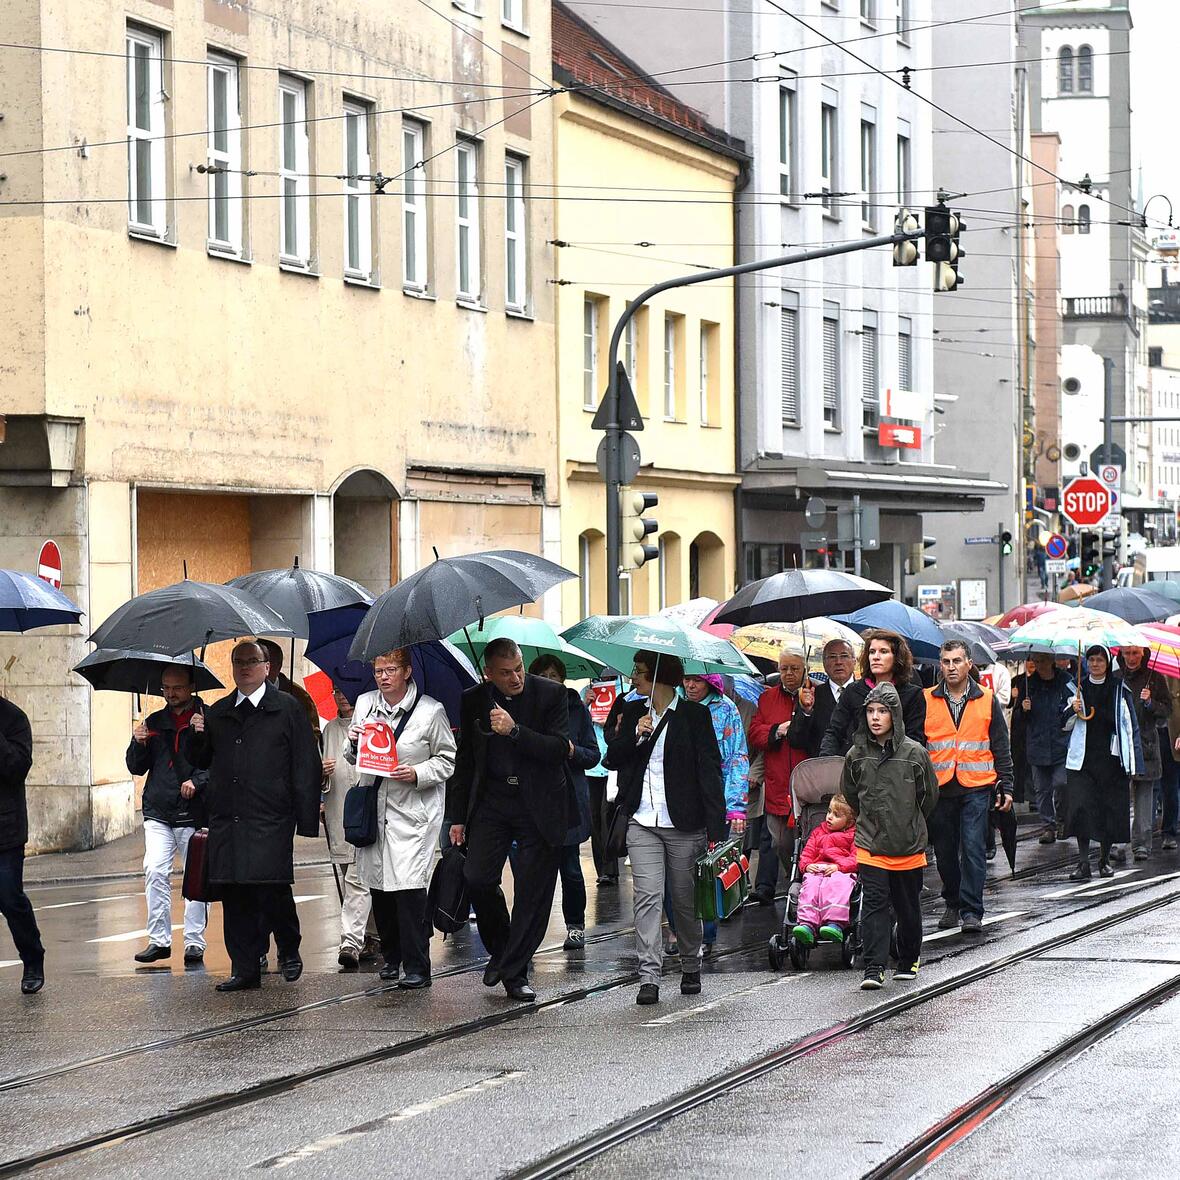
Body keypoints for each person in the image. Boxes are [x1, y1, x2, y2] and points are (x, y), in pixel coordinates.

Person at [186, 640, 321, 991]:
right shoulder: (218, 711)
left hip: (271, 816)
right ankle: (244, 968)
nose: (245, 667)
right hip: (229, 817)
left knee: (271, 888)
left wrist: (306, 818)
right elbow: (201, 760)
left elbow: (306, 763)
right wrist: (196, 733)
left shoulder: (287, 708)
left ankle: (289, 947)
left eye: (252, 661)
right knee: (235, 894)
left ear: (267, 668)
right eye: (238, 662)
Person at [446, 638, 573, 1003]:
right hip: (493, 801)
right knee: (477, 877)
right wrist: (457, 816)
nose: (515, 677)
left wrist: (515, 730)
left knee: (532, 893)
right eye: (505, 673)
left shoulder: (550, 694)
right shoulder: (474, 698)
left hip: (539, 803)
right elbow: (465, 761)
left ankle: (515, 972)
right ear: (489, 673)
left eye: (518, 668)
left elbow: (557, 750)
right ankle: (502, 952)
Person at [606, 651, 725, 1006]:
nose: (633, 677)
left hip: (684, 823)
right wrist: (634, 735)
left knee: (684, 900)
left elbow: (709, 771)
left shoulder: (694, 715)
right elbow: (610, 758)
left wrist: (716, 826)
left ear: (660, 677)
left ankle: (691, 963)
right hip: (642, 820)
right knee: (647, 897)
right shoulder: (630, 711)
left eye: (639, 672)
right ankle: (649, 976)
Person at [347, 648, 456, 988]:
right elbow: (354, 759)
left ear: (407, 672)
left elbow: (447, 760)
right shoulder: (365, 704)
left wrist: (417, 772)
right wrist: (353, 743)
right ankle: (392, 957)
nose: (383, 676)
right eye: (378, 670)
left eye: (390, 669)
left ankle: (417, 965)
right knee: (379, 887)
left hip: (413, 813)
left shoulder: (430, 711)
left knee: (408, 889)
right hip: (375, 809)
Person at [841, 683, 938, 990]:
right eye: (870, 711)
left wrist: (909, 821)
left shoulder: (915, 753)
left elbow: (929, 796)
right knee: (874, 905)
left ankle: (909, 957)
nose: (876, 718)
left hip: (907, 844)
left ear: (895, 715)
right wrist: (872, 819)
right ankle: (874, 966)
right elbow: (851, 793)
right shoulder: (855, 754)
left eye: (883, 711)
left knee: (907, 906)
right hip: (871, 844)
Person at [924, 640, 1014, 934]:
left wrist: (1008, 786)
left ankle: (972, 910)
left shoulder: (986, 699)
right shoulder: (927, 699)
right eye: (946, 661)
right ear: (941, 665)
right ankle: (952, 900)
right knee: (945, 852)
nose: (951, 667)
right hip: (940, 788)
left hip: (977, 786)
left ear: (969, 664)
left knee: (974, 847)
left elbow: (1001, 745)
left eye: (957, 661)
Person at [125, 665, 209, 965]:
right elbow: (136, 767)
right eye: (165, 687)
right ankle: (159, 940)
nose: (170, 693)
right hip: (158, 810)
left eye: (176, 687)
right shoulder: (154, 721)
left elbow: (218, 763)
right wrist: (138, 742)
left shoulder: (206, 719)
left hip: (193, 812)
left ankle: (194, 942)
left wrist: (197, 781)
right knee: (155, 870)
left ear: (191, 687)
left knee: (195, 878)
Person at [529, 655, 600, 951]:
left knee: (570, 868)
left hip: (568, 799)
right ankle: (529, 933)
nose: (549, 681)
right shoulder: (525, 708)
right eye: (543, 676)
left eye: (554, 676)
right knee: (531, 872)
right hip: (534, 799)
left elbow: (592, 754)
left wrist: (572, 751)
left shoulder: (576, 709)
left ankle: (575, 926)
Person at [681, 673, 748, 954]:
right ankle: (681, 930)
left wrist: (735, 806)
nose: (691, 686)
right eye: (686, 680)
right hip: (682, 799)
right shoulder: (676, 705)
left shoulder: (726, 709)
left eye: (697, 680)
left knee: (708, 870)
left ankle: (707, 935)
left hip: (716, 800)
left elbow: (737, 757)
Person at [1064, 645, 1141, 881]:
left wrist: (1132, 761)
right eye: (1091, 660)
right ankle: (1083, 862)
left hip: (1111, 760)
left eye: (1099, 660)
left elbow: (1129, 725)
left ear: (1108, 663)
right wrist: (1071, 710)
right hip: (1082, 761)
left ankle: (1104, 860)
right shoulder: (1077, 688)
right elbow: (1063, 724)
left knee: (1108, 809)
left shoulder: (1119, 688)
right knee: (1081, 809)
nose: (1095, 664)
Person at [320, 685, 379, 969]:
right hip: (337, 810)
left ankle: (350, 941)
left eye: (344, 690)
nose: (340, 695)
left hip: (364, 811)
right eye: (336, 691)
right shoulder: (330, 730)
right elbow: (319, 776)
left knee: (358, 879)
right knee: (352, 877)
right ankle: (373, 935)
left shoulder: (372, 725)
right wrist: (322, 775)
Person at [748, 650, 814, 890]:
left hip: (807, 782)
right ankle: (794, 878)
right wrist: (777, 730)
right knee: (779, 843)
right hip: (777, 782)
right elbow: (755, 733)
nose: (788, 673)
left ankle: (803, 886)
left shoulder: (815, 693)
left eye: (794, 668)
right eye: (784, 668)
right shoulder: (767, 698)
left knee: (806, 840)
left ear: (804, 669)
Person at [819, 629, 928, 757]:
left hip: (897, 769)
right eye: (872, 652)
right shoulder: (853, 691)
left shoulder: (912, 694)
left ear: (897, 657)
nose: (876, 657)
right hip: (856, 767)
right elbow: (834, 732)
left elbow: (915, 740)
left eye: (883, 651)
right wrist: (825, 763)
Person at [0, 691, 44, 994]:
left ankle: (32, 959)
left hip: (5, 829)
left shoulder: (13, 719)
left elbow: (16, 769)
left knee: (9, 898)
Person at [1113, 647, 1169, 864]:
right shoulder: (1116, 677)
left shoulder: (1154, 678)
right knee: (1119, 796)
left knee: (1144, 797)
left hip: (1146, 744)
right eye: (1127, 654)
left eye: (1135, 653)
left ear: (1143, 655)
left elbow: (1166, 710)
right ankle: (1118, 843)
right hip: (1120, 745)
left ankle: (1142, 844)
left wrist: (1150, 702)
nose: (1131, 658)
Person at [1016, 655, 1074, 844]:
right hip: (1037, 743)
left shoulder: (1065, 681)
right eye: (1036, 661)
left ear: (1051, 661)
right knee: (1041, 789)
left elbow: (1073, 707)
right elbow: (1018, 719)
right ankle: (1048, 826)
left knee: (1062, 783)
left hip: (1060, 743)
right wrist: (1024, 709)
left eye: (1042, 661)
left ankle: (1063, 820)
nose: (1039, 665)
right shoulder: (1027, 684)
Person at [790, 795, 858, 947]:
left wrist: (839, 867)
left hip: (840, 870)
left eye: (836, 815)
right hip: (817, 869)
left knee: (837, 884)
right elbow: (807, 853)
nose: (829, 817)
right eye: (829, 812)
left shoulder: (854, 835)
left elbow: (856, 858)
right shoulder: (817, 832)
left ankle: (835, 923)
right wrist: (806, 866)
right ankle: (807, 923)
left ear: (850, 820)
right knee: (810, 886)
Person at [582, 671, 623, 886]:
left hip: (614, 764)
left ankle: (612, 867)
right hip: (591, 767)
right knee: (595, 819)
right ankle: (603, 869)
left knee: (609, 816)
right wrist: (585, 704)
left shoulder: (623, 691)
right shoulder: (586, 693)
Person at [258, 638, 321, 741]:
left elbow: (313, 735)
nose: (261, 668)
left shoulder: (299, 697)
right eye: (254, 662)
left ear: (279, 665)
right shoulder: (242, 694)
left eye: (267, 662)